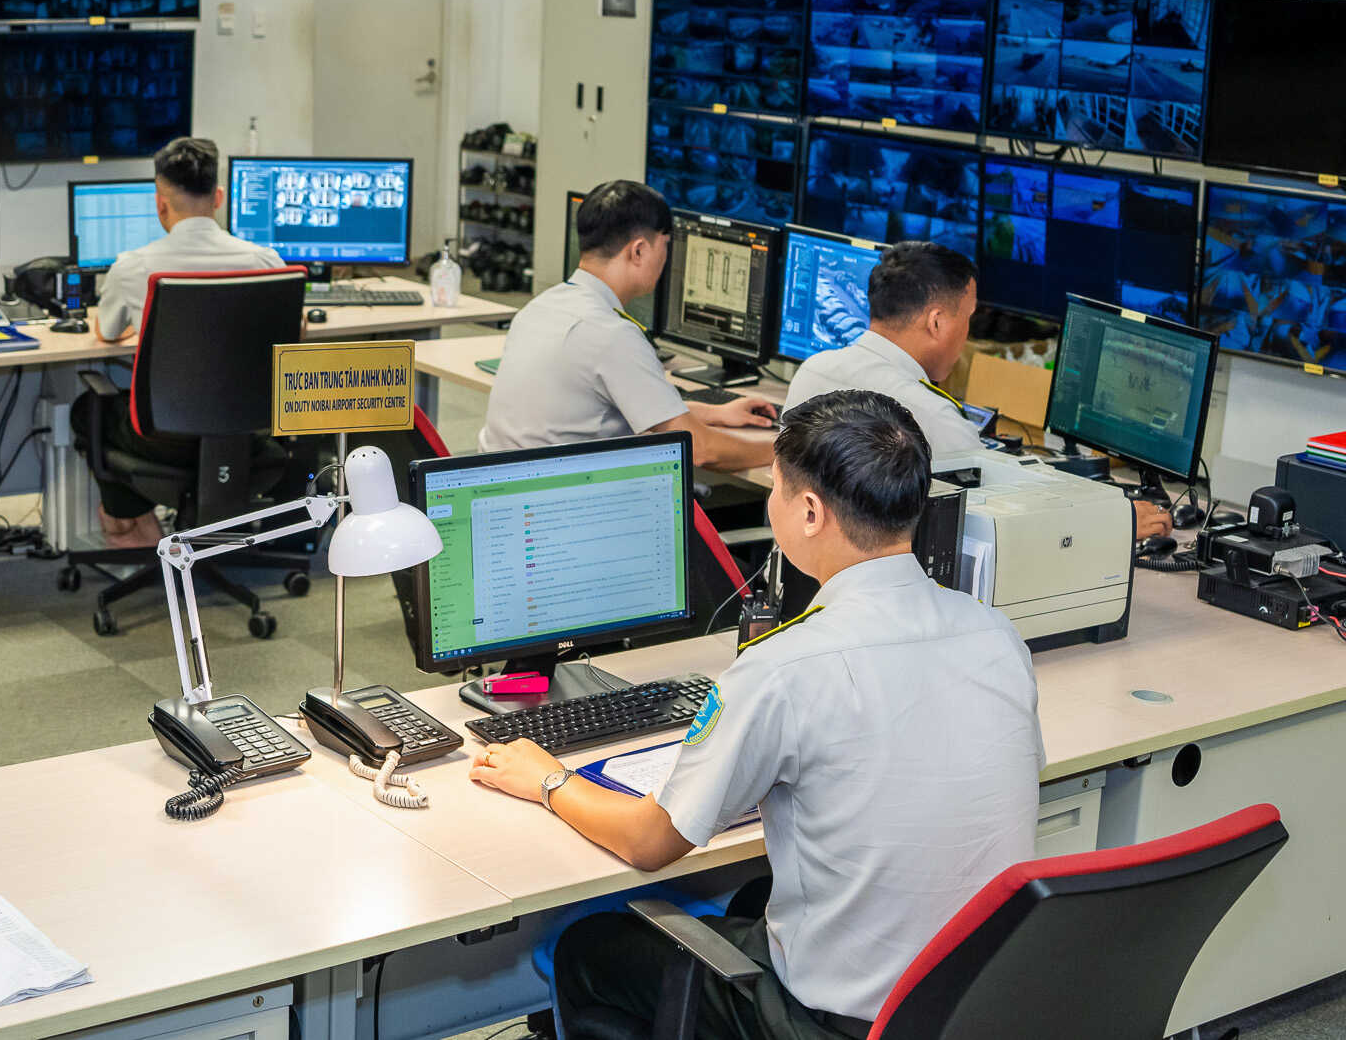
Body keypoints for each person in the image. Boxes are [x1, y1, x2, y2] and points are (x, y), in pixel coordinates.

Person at [469, 390, 1044, 1040]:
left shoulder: (783, 666)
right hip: (971, 1010)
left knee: (587, 947)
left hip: (834, 1025)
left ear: (809, 511)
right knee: (751, 896)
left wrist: (548, 779)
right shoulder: (996, 635)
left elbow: (649, 843)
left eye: (774, 487)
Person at [786, 242, 1172, 539]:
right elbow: (1008, 523)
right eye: (968, 318)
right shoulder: (930, 416)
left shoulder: (812, 373)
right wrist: (1112, 522)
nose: (968, 333)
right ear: (937, 323)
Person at [72, 137, 287, 548]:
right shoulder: (265, 261)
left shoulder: (133, 267)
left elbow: (106, 333)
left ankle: (129, 521)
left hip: (164, 440)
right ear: (218, 198)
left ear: (160, 204)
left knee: (88, 410)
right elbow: (294, 331)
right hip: (247, 435)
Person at [480, 181, 775, 470]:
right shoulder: (612, 335)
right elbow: (701, 450)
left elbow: (641, 409)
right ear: (639, 251)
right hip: (554, 497)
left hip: (504, 487)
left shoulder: (540, 307)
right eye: (666, 245)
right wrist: (786, 451)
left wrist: (716, 413)